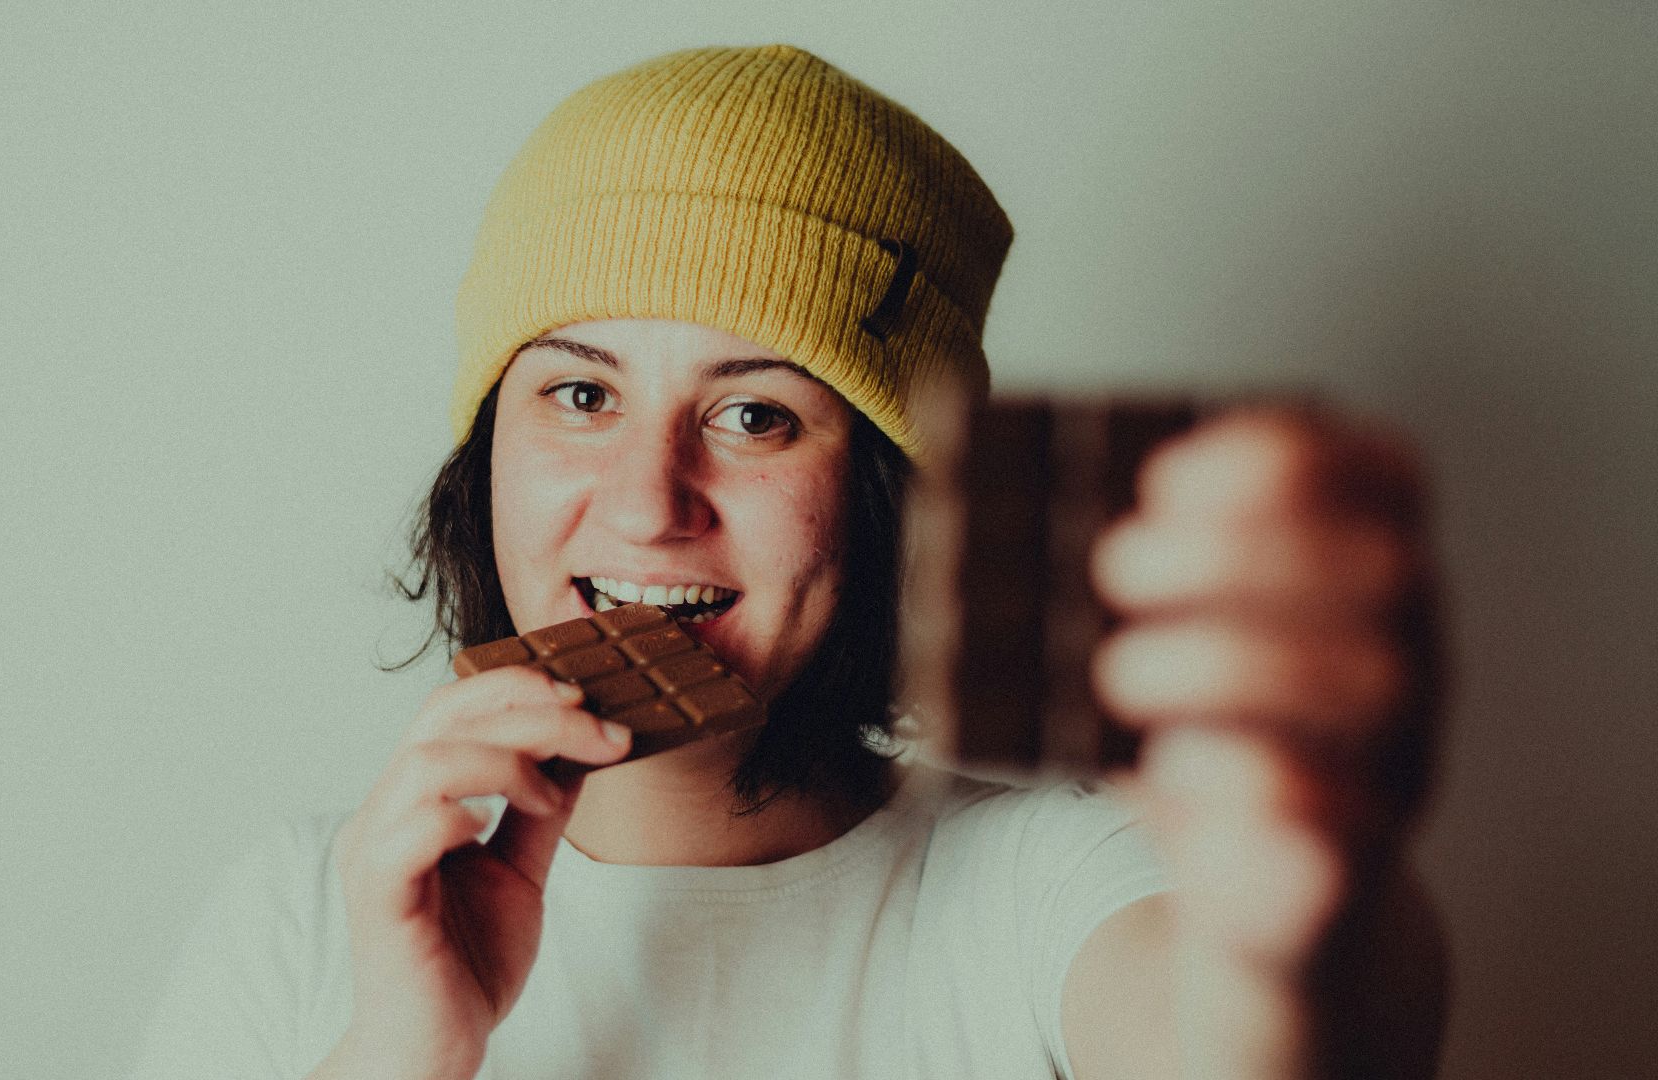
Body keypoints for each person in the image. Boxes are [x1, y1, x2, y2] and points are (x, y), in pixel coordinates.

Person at [130, 45, 1447, 1080]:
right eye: (579, 397)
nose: (648, 504)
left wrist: (1300, 927)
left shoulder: (1046, 886)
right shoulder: (307, 914)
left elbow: (1277, 1039)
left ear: (885, 498)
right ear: (483, 461)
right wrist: (401, 1057)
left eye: (755, 415)